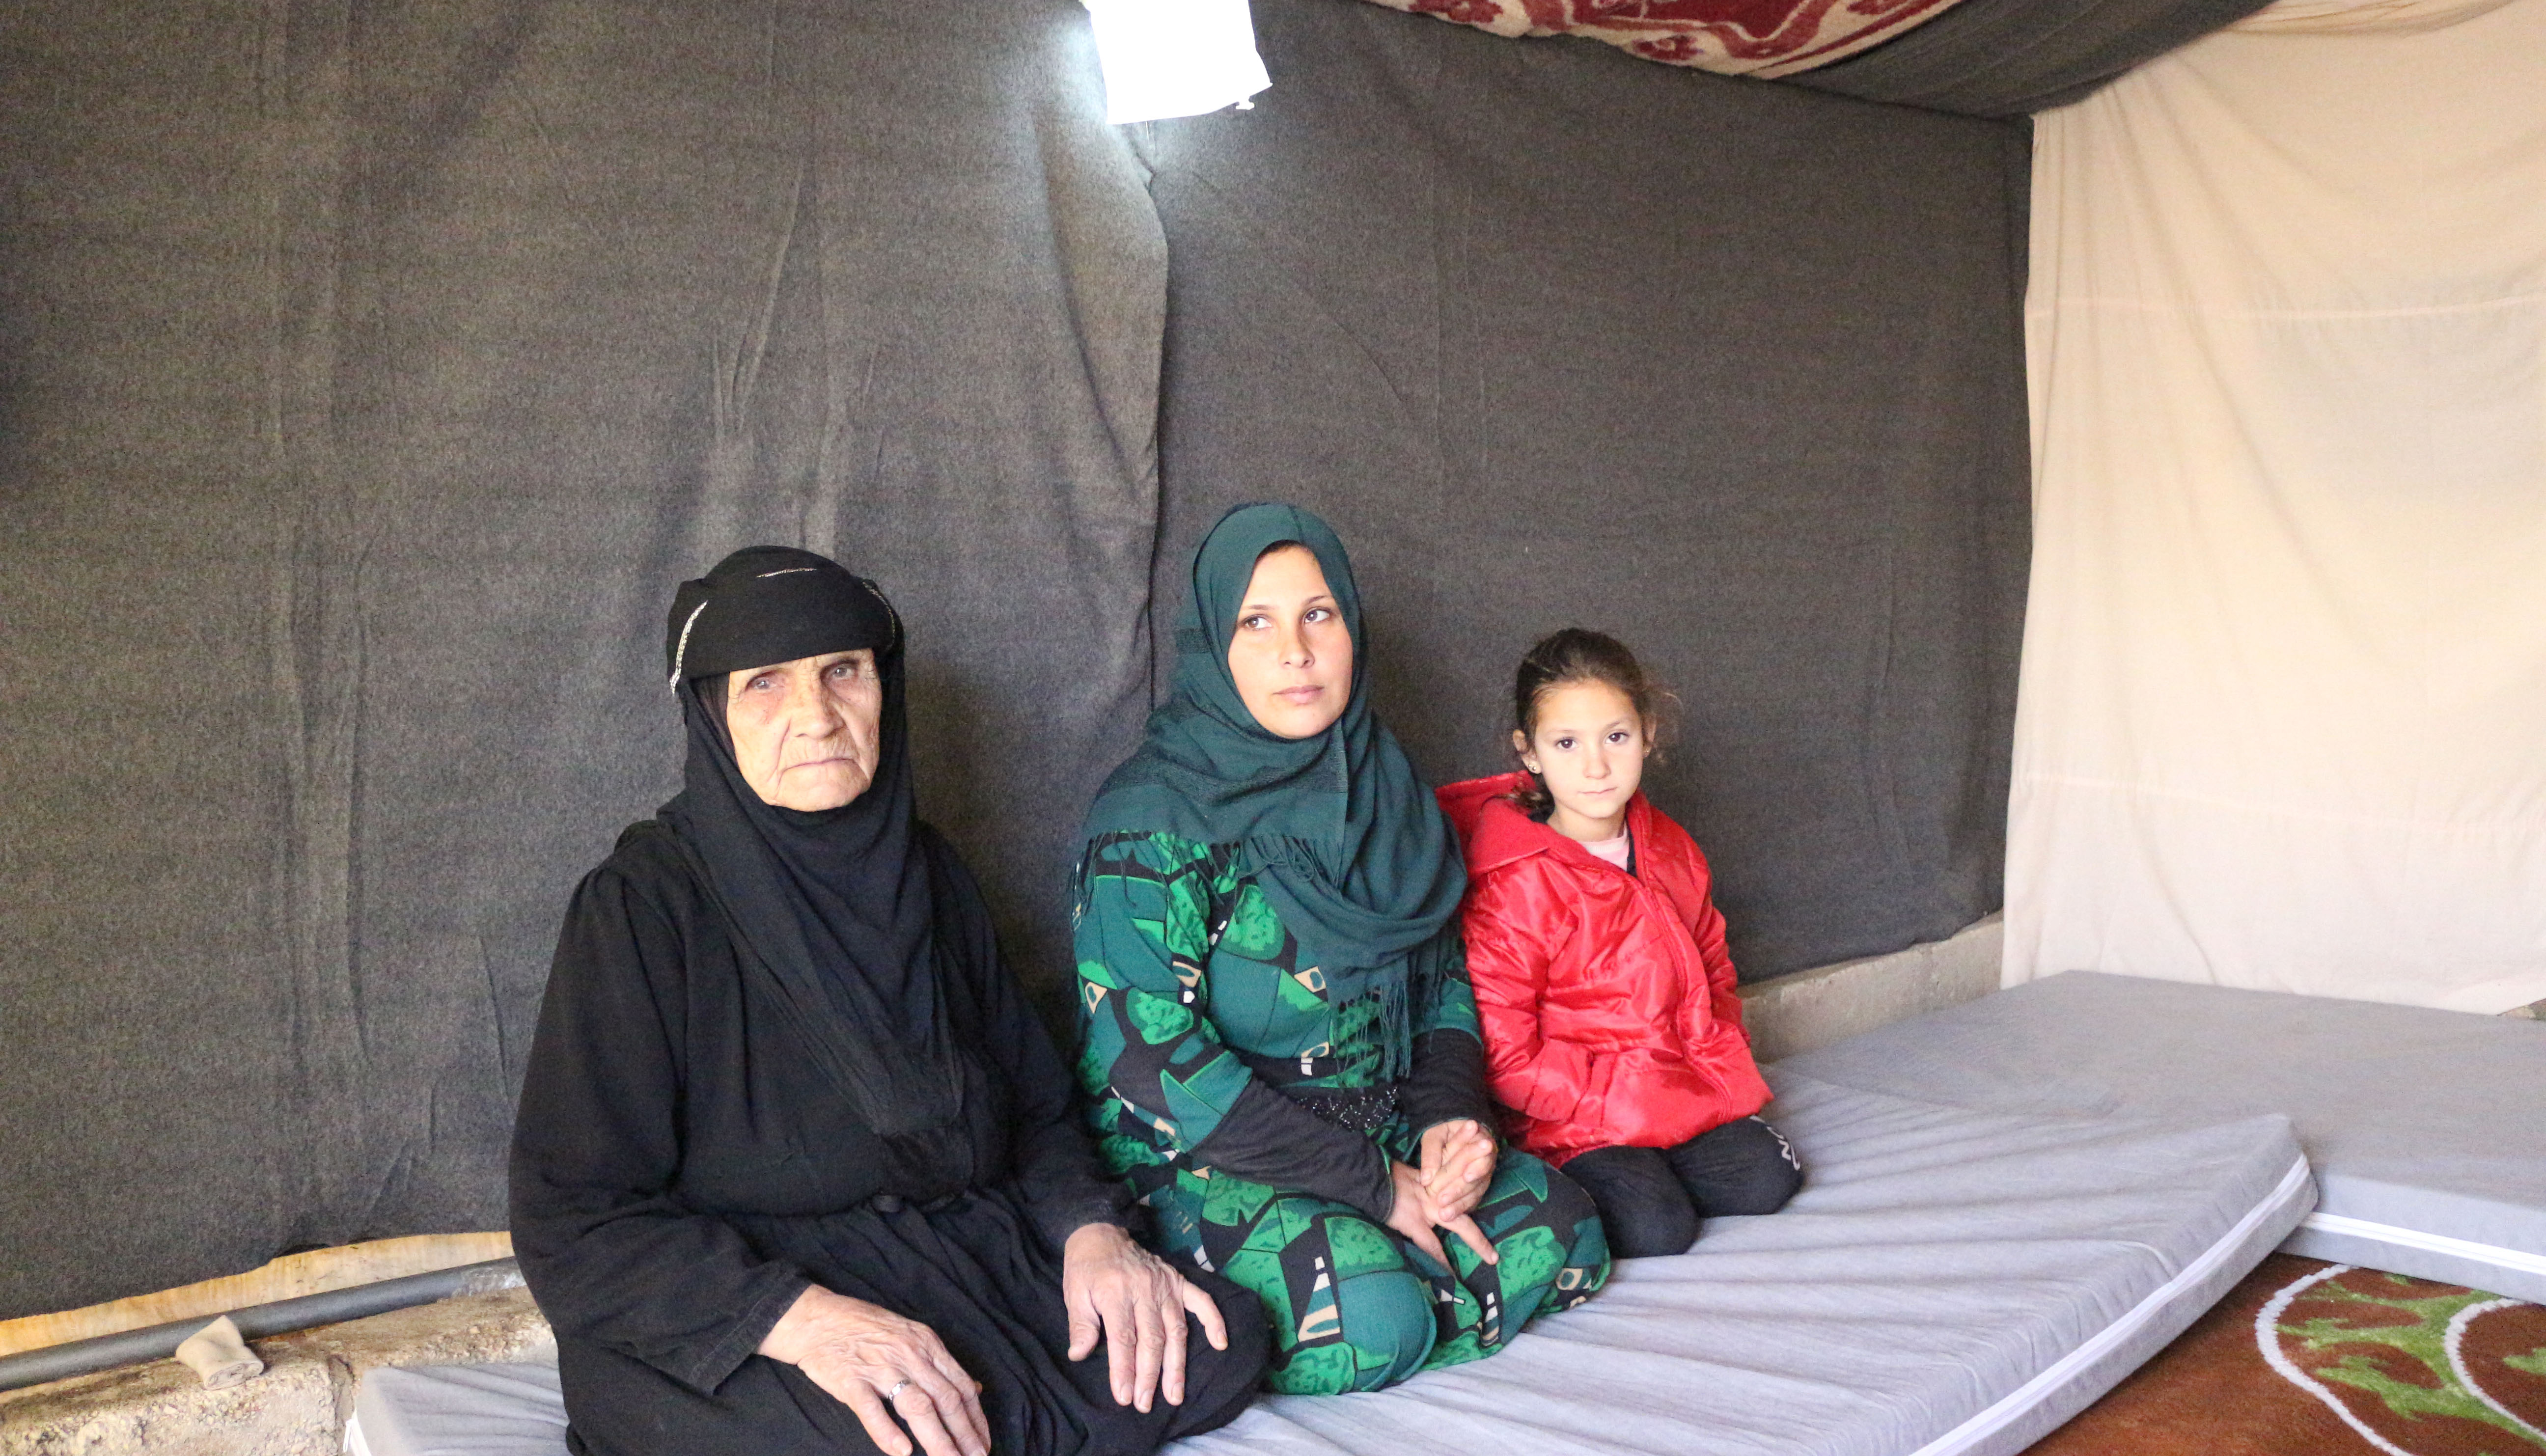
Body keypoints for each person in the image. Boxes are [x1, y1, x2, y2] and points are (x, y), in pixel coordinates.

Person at [510, 547, 1268, 1456]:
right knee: (889, 1439)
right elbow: (575, 1211)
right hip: (748, 1287)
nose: (816, 715)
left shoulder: (928, 872)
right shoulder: (642, 905)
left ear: (884, 691)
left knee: (1217, 1338)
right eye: (765, 685)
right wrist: (801, 1321)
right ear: (712, 716)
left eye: (842, 672)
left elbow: (1034, 1109)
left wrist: (1090, 1234)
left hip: (950, 1251)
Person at [1070, 503, 1610, 1397]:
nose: (1296, 650)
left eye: (1318, 614)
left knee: (1566, 1227)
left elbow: (1440, 985)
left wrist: (1447, 1124)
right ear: (1214, 643)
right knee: (1374, 1318)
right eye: (1257, 622)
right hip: (1212, 1152)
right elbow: (1147, 1056)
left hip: (1380, 1125)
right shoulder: (1149, 820)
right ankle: (1404, 1289)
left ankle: (1405, 1271)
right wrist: (1371, 1186)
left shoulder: (1385, 791)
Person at [1439, 629, 1801, 1261]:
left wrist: (1718, 1055)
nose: (1596, 766)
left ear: (1648, 733)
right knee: (1660, 1228)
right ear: (1530, 754)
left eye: (1615, 737)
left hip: (1672, 1090)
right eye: (1566, 743)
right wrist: (1612, 1102)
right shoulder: (1515, 881)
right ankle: (1591, 1183)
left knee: (1771, 1176)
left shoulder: (1669, 847)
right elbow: (1506, 1051)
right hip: (1575, 1117)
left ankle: (1664, 1165)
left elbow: (1714, 968)